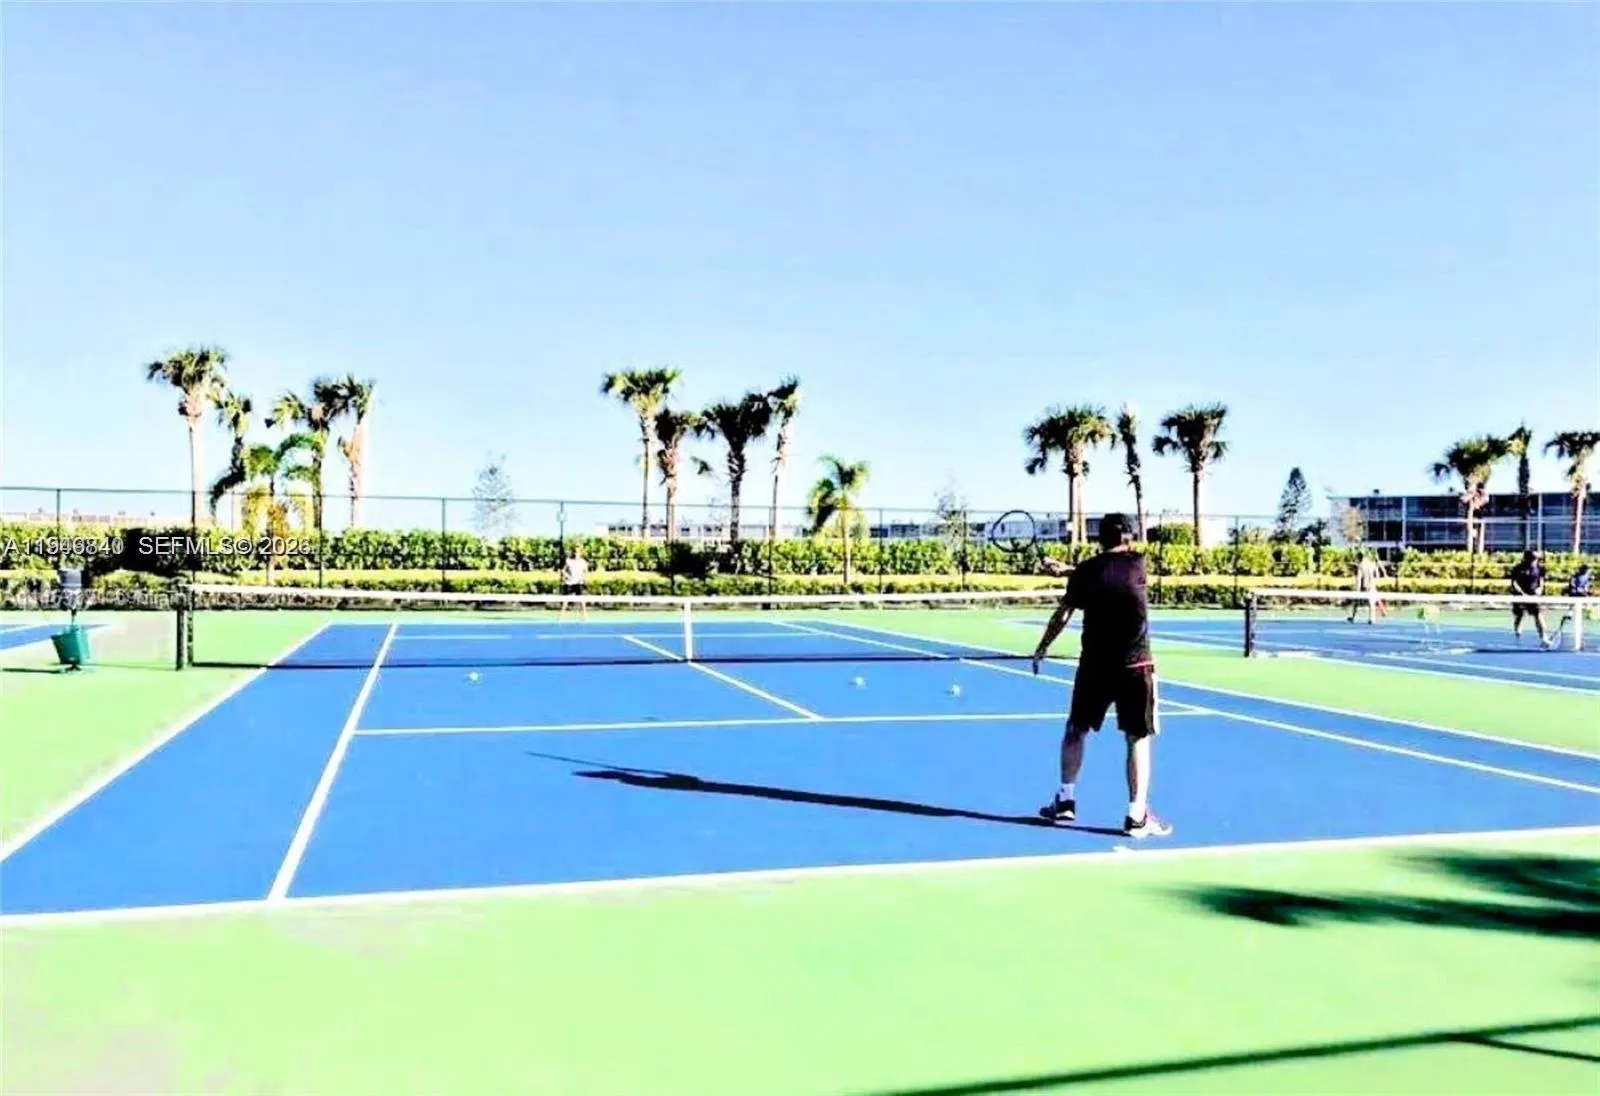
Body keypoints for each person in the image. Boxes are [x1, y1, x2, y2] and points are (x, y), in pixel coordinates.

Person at [1030, 513, 1171, 838]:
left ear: (1100, 539)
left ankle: (1065, 801)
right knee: (1138, 738)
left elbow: (1063, 613)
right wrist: (1071, 571)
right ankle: (1136, 817)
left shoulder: (1087, 573)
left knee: (1075, 730)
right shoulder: (1140, 564)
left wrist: (1043, 647)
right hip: (1135, 666)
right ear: (1130, 539)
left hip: (1094, 667)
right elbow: (1115, 572)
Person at [1508, 549, 1549, 648]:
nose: (1534, 561)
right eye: (1533, 559)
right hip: (1519, 596)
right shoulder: (1518, 568)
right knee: (1520, 615)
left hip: (1534, 596)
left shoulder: (1539, 568)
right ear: (1526, 559)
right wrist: (1522, 594)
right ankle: (1517, 632)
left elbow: (1541, 581)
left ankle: (1543, 637)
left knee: (1538, 615)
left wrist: (1539, 589)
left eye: (1536, 559)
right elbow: (1514, 583)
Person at [1551, 563, 1593, 645]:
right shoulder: (1575, 576)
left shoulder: (1588, 577)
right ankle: (1560, 629)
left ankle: (1581, 639)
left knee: (1581, 619)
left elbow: (1587, 588)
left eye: (1587, 570)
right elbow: (1572, 587)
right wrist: (1577, 591)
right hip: (1574, 599)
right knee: (1570, 614)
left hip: (1582, 601)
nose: (1586, 571)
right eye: (1585, 569)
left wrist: (1585, 592)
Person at [1347, 550, 1387, 624]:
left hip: (1366, 585)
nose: (1355, 561)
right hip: (1372, 584)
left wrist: (1357, 589)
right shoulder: (1369, 562)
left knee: (1363, 601)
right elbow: (1374, 571)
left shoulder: (1361, 565)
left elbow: (1359, 578)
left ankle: (1356, 617)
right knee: (1375, 598)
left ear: (1359, 558)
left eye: (1356, 559)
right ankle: (1382, 612)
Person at [559, 545, 590, 621]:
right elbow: (563, 570)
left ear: (580, 552)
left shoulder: (583, 562)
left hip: (579, 583)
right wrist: (567, 576)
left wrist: (584, 579)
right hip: (569, 583)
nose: (576, 553)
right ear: (573, 552)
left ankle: (584, 617)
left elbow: (586, 572)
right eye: (575, 551)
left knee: (582, 600)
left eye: (578, 551)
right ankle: (561, 617)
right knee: (565, 600)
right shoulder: (568, 560)